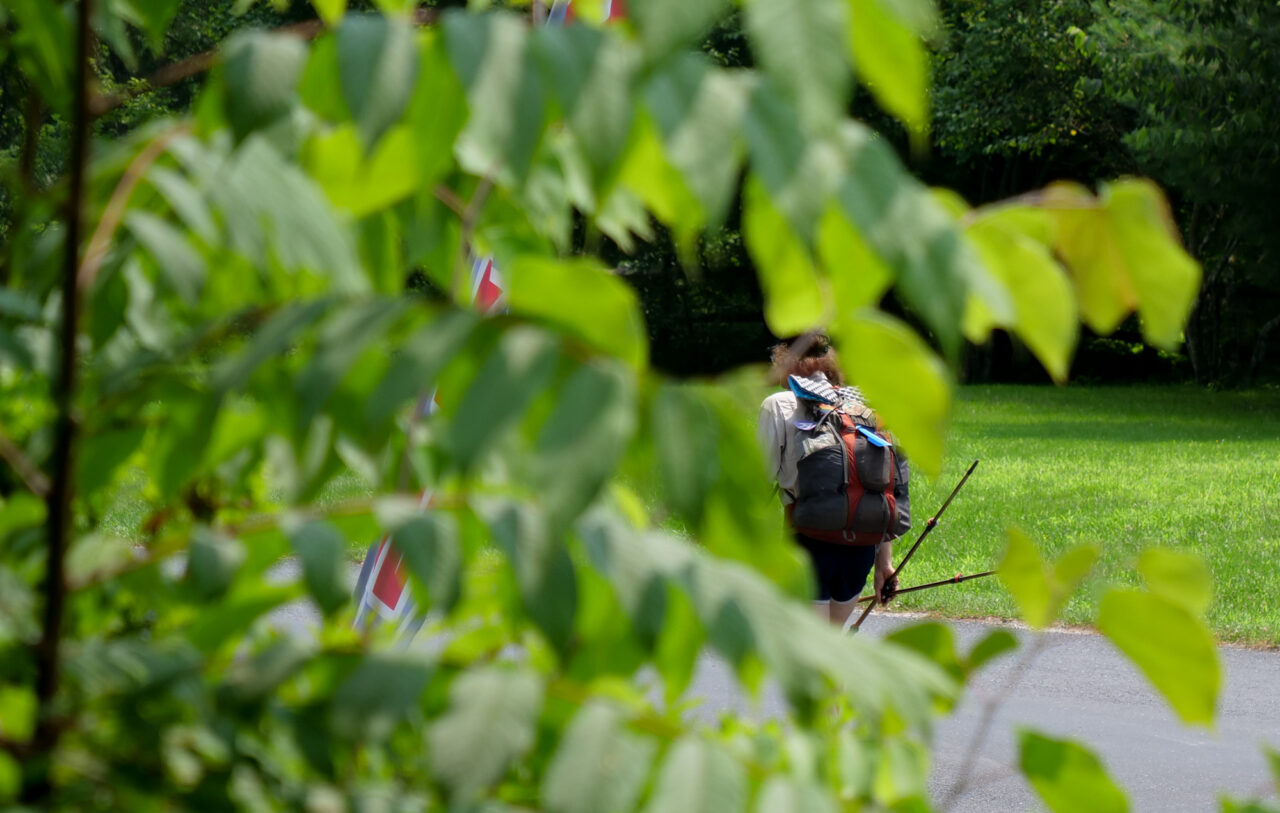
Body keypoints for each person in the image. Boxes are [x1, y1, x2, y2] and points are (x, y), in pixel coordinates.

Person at [756, 333, 908, 628]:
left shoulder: (778, 404)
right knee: (830, 648)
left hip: (808, 540)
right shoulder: (861, 407)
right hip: (861, 548)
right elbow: (884, 484)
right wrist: (884, 564)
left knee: (811, 656)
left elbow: (758, 482)